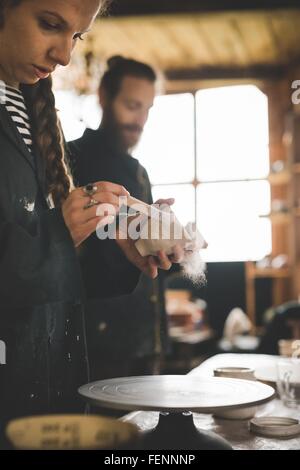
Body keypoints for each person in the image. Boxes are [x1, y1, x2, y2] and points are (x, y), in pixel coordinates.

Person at [0, 0, 181, 443]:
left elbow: (60, 276)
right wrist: (61, 235)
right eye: (49, 25)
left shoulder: (32, 111)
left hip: (50, 386)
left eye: (76, 36)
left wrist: (118, 248)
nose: (64, 55)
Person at [70, 57, 175, 379]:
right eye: (132, 105)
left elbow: (145, 260)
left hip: (146, 341)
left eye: (147, 109)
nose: (139, 119)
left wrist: (171, 245)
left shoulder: (138, 171)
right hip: (96, 344)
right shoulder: (69, 159)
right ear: (104, 96)